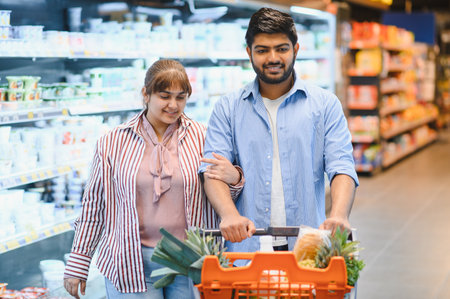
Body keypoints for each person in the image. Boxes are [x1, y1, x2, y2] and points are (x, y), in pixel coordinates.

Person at [63, 59, 244, 299]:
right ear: (145, 95)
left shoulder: (204, 137)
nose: (173, 105)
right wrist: (79, 261)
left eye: (181, 97)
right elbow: (95, 206)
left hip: (192, 260)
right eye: (164, 96)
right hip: (130, 260)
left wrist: (235, 178)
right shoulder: (113, 142)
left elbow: (225, 198)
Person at [200, 7, 359, 253]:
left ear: (295, 49)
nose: (273, 58)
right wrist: (229, 215)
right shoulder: (228, 108)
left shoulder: (325, 104)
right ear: (249, 53)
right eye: (262, 50)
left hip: (308, 243)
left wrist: (339, 215)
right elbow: (212, 172)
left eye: (281, 49)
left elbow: (342, 167)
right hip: (247, 243)